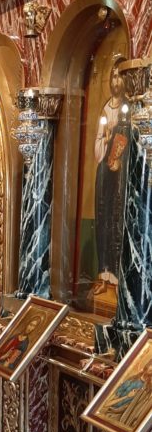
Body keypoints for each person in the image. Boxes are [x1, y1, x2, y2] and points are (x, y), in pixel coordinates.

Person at [93, 61, 129, 295]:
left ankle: (117, 278)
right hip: (104, 171)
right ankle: (103, 275)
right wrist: (105, 139)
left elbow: (130, 141)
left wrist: (120, 160)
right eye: (113, 77)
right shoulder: (105, 108)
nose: (116, 82)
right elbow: (98, 147)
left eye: (119, 77)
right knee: (102, 217)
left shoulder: (128, 108)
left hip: (120, 172)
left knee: (117, 218)